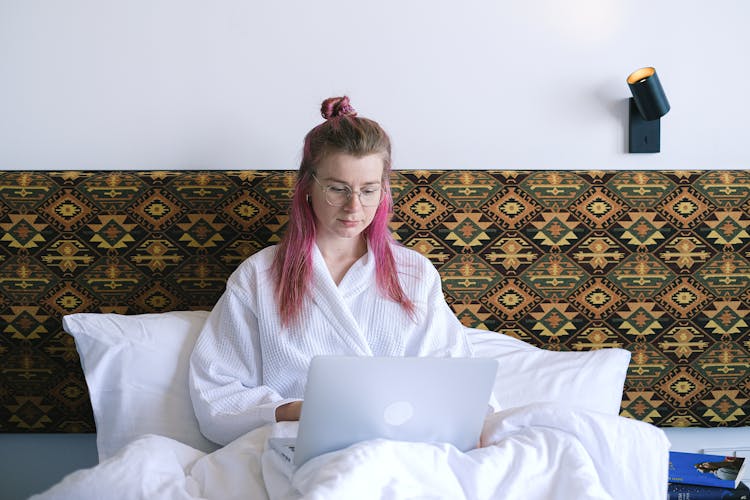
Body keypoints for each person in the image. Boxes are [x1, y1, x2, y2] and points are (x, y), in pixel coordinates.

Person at [189, 96, 489, 446]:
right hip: (300, 442)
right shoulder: (259, 276)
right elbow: (216, 394)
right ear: (307, 188)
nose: (354, 207)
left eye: (368, 190)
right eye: (337, 189)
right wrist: (303, 410)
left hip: (401, 446)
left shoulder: (414, 274)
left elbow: (454, 378)